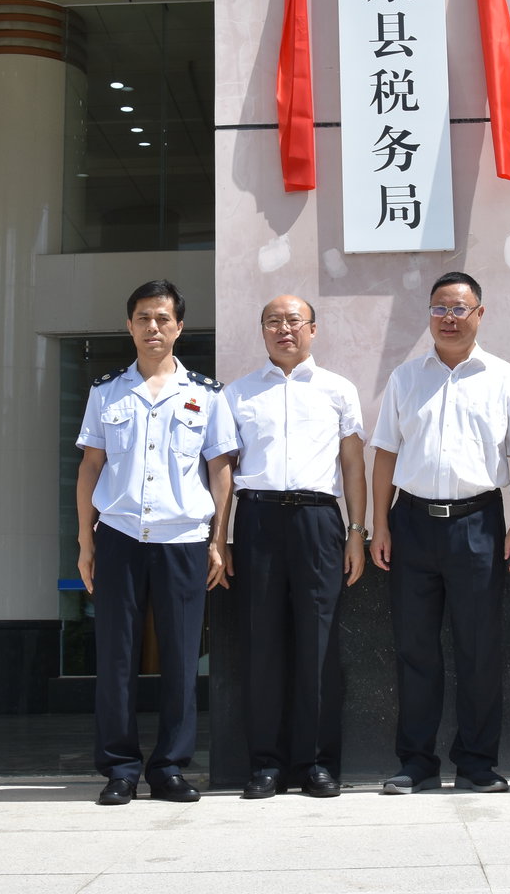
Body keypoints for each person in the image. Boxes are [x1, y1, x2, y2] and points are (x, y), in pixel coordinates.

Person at [368, 271, 510, 794]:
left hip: (479, 524)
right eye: (439, 308)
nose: (448, 318)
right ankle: (416, 762)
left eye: (459, 308)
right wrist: (380, 525)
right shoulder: (406, 377)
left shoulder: (504, 378)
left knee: (479, 649)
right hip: (412, 523)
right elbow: (385, 455)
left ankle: (478, 763)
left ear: (479, 314)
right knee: (415, 649)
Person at [74, 279, 236, 805]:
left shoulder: (206, 395)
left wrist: (218, 541)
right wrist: (85, 541)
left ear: (179, 327)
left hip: (184, 539)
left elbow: (221, 475)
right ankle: (120, 768)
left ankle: (169, 767)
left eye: (163, 319)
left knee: (181, 658)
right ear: (129, 325)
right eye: (144, 318)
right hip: (119, 536)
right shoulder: (106, 392)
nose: (153, 328)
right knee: (116, 659)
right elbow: (89, 469)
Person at [218, 293, 367, 799]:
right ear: (262, 331)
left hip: (319, 521)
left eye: (294, 321)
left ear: (313, 329)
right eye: (273, 322)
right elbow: (224, 474)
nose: (284, 329)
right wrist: (222, 538)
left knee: (318, 647)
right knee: (261, 645)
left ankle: (318, 764)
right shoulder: (236, 395)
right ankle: (265, 764)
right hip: (256, 519)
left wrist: (356, 532)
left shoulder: (338, 390)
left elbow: (353, 466)